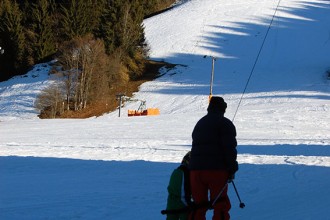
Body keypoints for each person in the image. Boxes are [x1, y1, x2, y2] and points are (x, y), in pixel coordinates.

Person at [189, 96, 238, 220]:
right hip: (216, 170)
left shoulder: (200, 123)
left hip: (196, 171)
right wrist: (232, 168)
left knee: (198, 206)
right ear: (223, 109)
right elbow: (229, 148)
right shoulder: (225, 123)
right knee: (220, 204)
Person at [165, 151, 192, 220]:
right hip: (181, 205)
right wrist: (189, 205)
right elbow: (183, 193)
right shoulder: (184, 173)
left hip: (171, 204)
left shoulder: (176, 171)